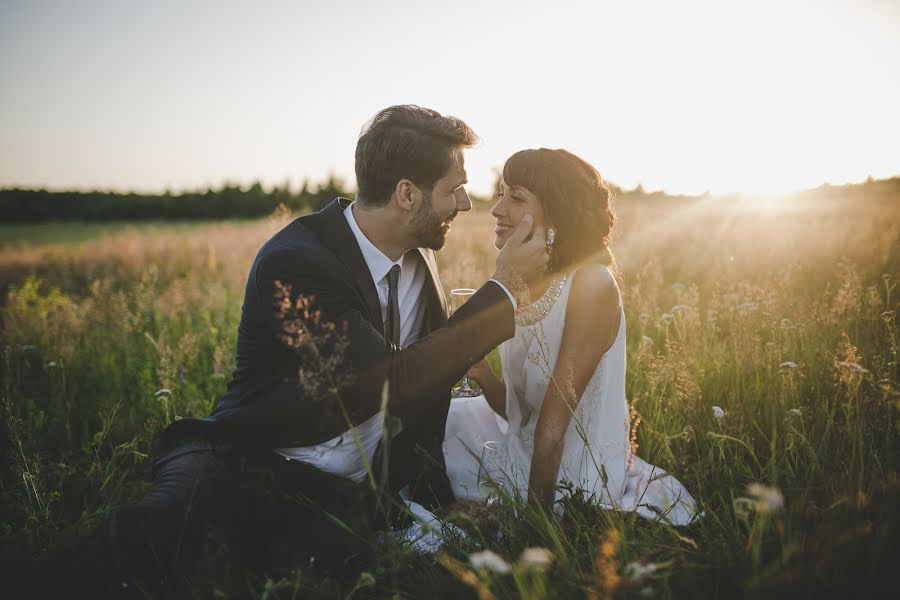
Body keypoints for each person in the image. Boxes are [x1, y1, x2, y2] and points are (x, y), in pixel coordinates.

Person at [33, 106, 548, 597]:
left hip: (351, 488)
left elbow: (425, 400)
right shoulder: (298, 263)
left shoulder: (419, 260)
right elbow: (393, 384)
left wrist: (432, 495)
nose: (465, 203)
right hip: (251, 459)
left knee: (340, 566)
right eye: (454, 188)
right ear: (406, 195)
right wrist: (501, 292)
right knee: (153, 536)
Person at [443, 148, 699, 524]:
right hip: (526, 449)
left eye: (515, 198)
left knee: (454, 470)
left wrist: (536, 527)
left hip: (570, 472)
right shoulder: (524, 284)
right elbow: (520, 416)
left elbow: (551, 431)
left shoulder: (591, 284)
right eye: (500, 194)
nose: (497, 210)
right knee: (448, 415)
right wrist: (483, 375)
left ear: (556, 211)